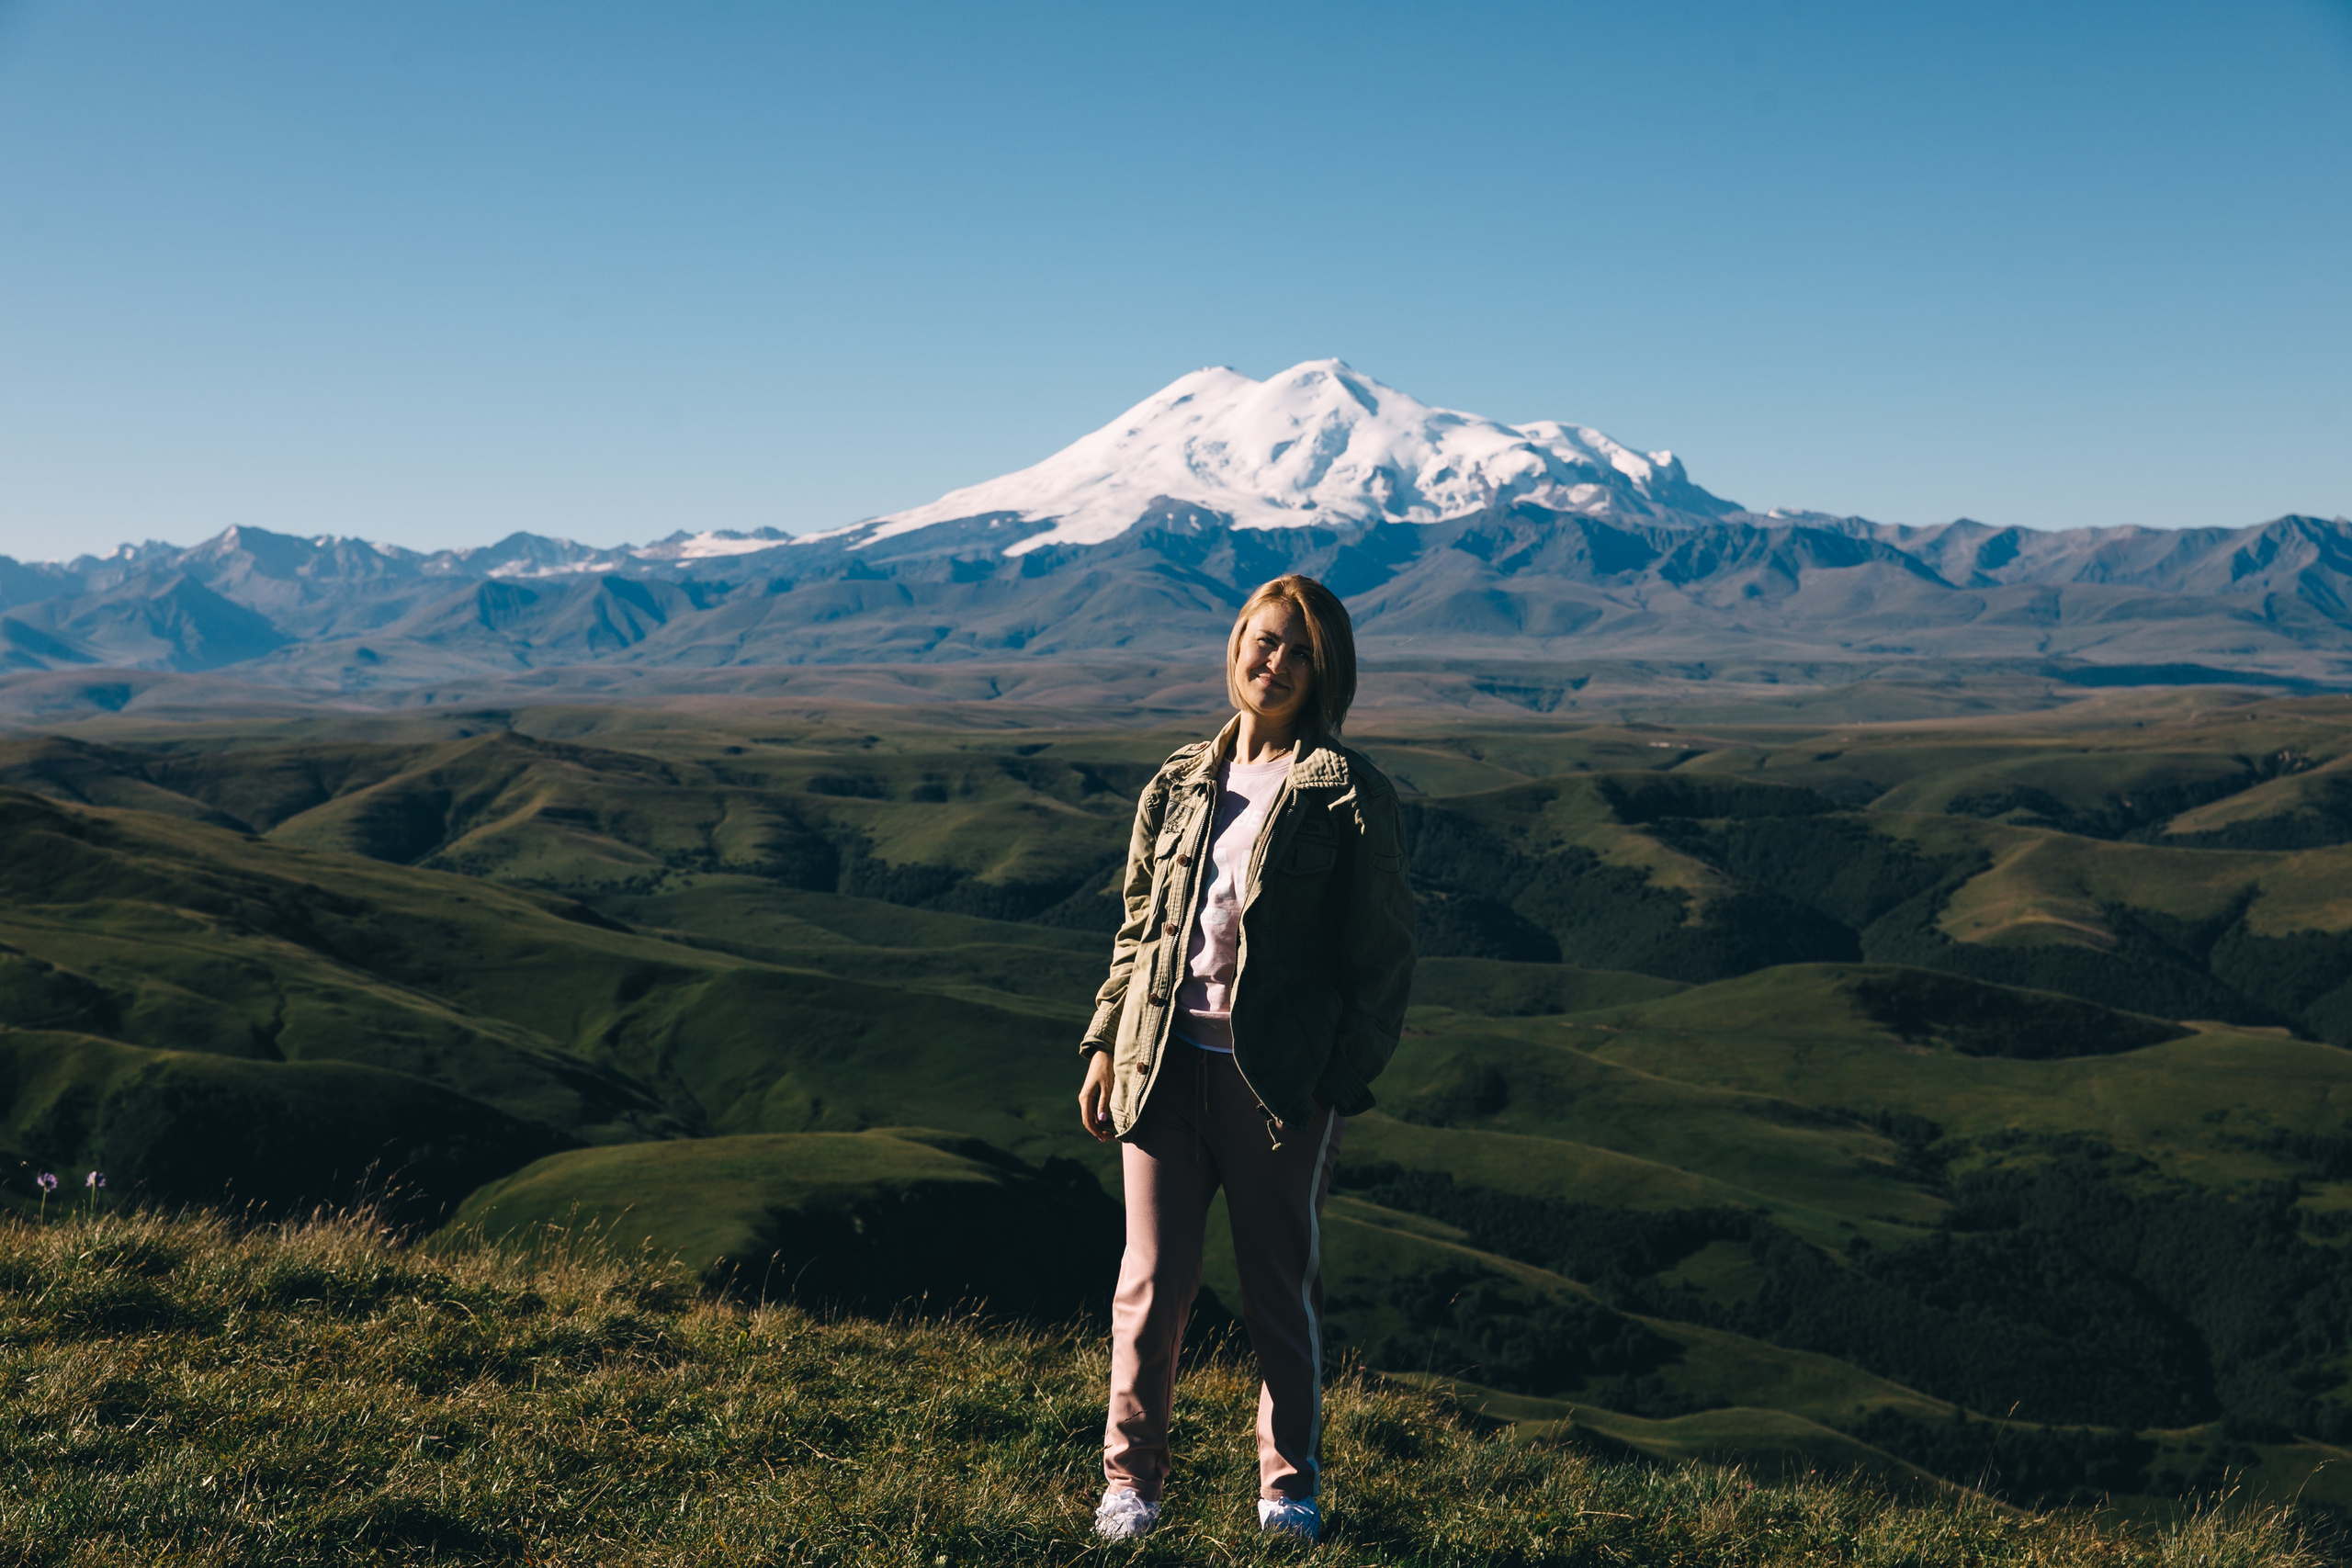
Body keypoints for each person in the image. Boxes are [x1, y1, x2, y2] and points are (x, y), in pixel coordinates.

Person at [1077, 573, 1417, 1544]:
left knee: (1279, 1290)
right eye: (1263, 642)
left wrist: (1335, 1081)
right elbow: (1139, 926)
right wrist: (1106, 1041)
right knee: (1148, 1285)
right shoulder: (1180, 780)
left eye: (1298, 651)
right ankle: (1128, 1487)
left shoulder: (1346, 793)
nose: (1274, 663)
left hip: (1275, 1083)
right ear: (1233, 648)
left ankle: (1287, 1492)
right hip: (1160, 1066)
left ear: (1325, 673)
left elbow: (1383, 953)